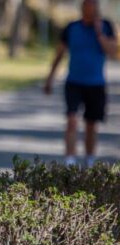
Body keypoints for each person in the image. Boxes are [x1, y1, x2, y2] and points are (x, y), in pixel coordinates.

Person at [44, 0, 117, 167]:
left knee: (91, 124)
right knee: (71, 119)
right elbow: (59, 54)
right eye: (87, 8)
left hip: (96, 83)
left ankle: (89, 159)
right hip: (74, 82)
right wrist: (50, 78)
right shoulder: (71, 28)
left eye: (93, 8)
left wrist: (99, 34)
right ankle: (70, 160)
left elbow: (112, 52)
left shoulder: (106, 26)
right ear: (83, 8)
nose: (90, 12)